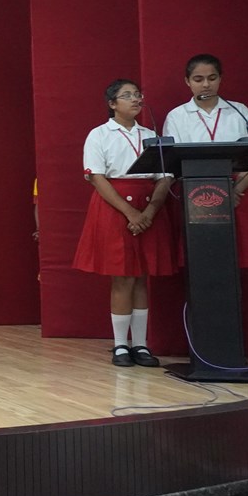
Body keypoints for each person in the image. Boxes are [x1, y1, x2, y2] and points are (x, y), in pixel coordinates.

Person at [72, 79, 177, 368]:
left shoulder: (151, 135)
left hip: (148, 205)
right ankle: (120, 344)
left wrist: (150, 211)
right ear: (112, 104)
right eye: (127, 95)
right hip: (115, 207)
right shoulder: (99, 134)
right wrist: (131, 213)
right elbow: (96, 177)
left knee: (141, 276)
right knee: (122, 276)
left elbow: (165, 177)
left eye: (137, 94)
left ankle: (141, 344)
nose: (135, 99)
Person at [162, 53, 248, 269]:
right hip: (196, 196)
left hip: (239, 193)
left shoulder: (239, 112)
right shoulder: (177, 116)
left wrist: (234, 191)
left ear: (220, 78)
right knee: (202, 258)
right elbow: (173, 162)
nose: (206, 85)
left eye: (212, 78)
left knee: (235, 255)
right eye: (198, 79)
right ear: (187, 81)